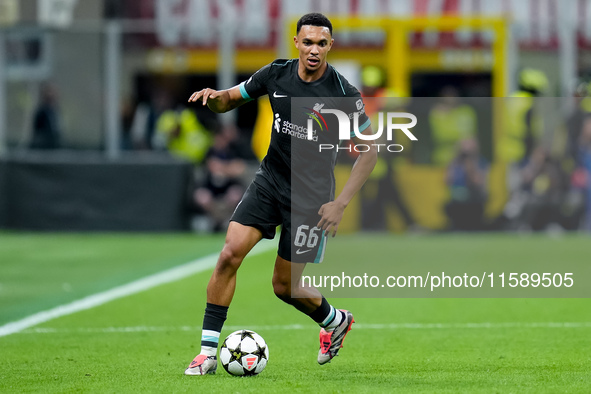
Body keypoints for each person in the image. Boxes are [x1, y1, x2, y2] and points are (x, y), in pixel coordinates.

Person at [184, 13, 377, 375]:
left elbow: (370, 151)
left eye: (321, 43)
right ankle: (207, 352)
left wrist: (341, 203)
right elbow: (231, 99)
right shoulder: (275, 74)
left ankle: (335, 321)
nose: (314, 50)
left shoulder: (343, 94)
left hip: (312, 199)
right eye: (308, 42)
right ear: (296, 43)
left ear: (330, 46)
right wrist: (213, 99)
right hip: (270, 181)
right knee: (229, 254)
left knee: (285, 286)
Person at [30, 82, 62, 150]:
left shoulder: (56, 111)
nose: (51, 94)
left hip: (55, 147)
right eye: (49, 92)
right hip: (44, 148)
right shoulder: (41, 112)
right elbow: (38, 133)